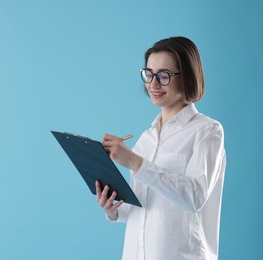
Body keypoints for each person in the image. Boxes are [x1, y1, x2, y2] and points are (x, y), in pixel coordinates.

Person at [96, 36, 226, 260]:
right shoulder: (145, 139)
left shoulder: (207, 131)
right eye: (149, 74)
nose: (153, 84)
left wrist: (135, 162)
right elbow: (143, 209)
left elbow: (194, 197)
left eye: (164, 76)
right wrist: (113, 209)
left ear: (187, 76)